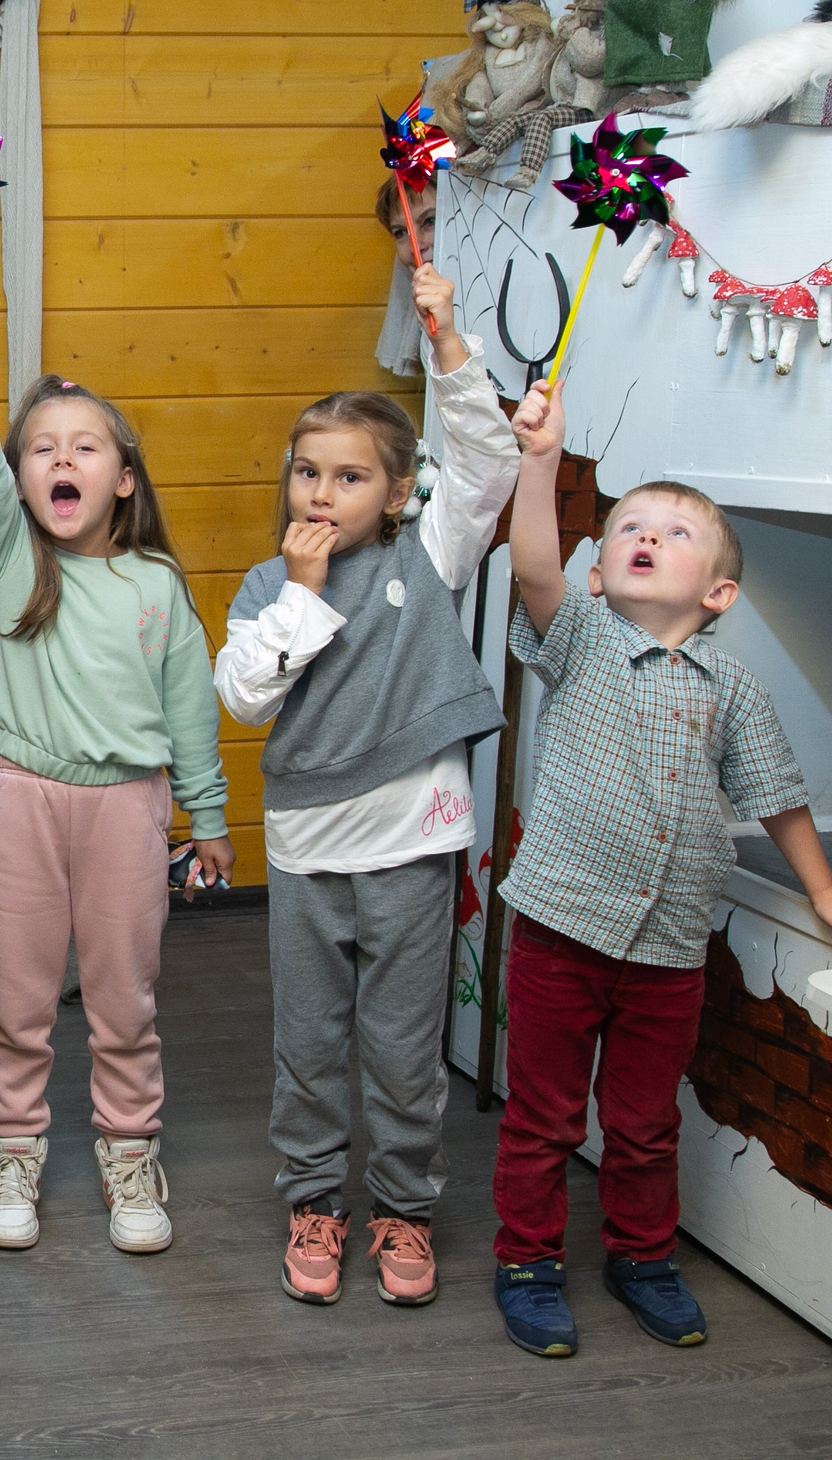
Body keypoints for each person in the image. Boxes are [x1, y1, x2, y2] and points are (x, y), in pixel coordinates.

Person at [493, 381, 832, 1358]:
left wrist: (824, 887)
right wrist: (540, 460)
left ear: (718, 593)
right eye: (629, 526)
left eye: (672, 532)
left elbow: (775, 791)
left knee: (641, 1121)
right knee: (541, 1117)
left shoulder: (733, 687)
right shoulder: (576, 637)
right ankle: (528, 1264)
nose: (644, 536)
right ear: (600, 569)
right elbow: (534, 565)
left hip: (666, 949)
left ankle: (642, 1258)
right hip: (557, 929)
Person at [215, 262, 514, 1309]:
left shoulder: (428, 554)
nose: (321, 493)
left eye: (347, 477)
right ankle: (313, 1201)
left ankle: (401, 1208)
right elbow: (246, 696)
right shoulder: (267, 585)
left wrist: (448, 345)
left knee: (400, 1047)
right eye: (306, 473)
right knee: (308, 1044)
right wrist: (298, 594)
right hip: (306, 850)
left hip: (413, 840)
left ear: (396, 492)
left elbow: (483, 460)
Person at [0, 271, 232, 1256]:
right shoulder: (13, 557)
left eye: (83, 447)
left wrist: (209, 818)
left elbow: (191, 711)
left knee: (122, 997)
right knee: (15, 997)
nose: (60, 459)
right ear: (20, 482)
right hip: (21, 801)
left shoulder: (155, 585)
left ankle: (128, 1149)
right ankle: (13, 1148)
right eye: (41, 449)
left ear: (123, 479)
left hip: (125, 814)